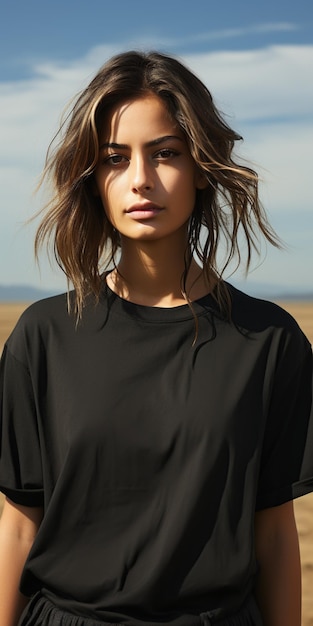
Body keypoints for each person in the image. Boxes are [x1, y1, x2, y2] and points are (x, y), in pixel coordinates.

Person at [0, 50, 312, 626]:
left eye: (165, 153)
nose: (140, 180)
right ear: (92, 178)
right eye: (115, 159)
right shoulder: (42, 337)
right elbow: (20, 526)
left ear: (201, 166)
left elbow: (273, 535)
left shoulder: (269, 342)